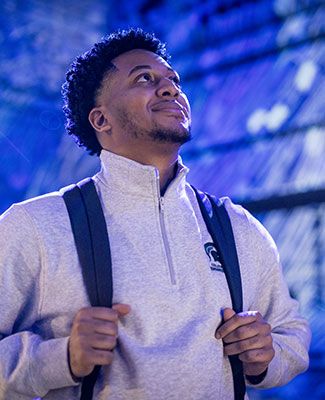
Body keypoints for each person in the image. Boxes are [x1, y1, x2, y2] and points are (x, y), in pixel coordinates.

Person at [0, 28, 310, 399]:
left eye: (173, 80)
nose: (170, 89)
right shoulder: (35, 226)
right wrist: (60, 357)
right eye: (144, 78)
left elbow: (291, 334)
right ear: (101, 120)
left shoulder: (238, 226)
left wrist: (266, 356)